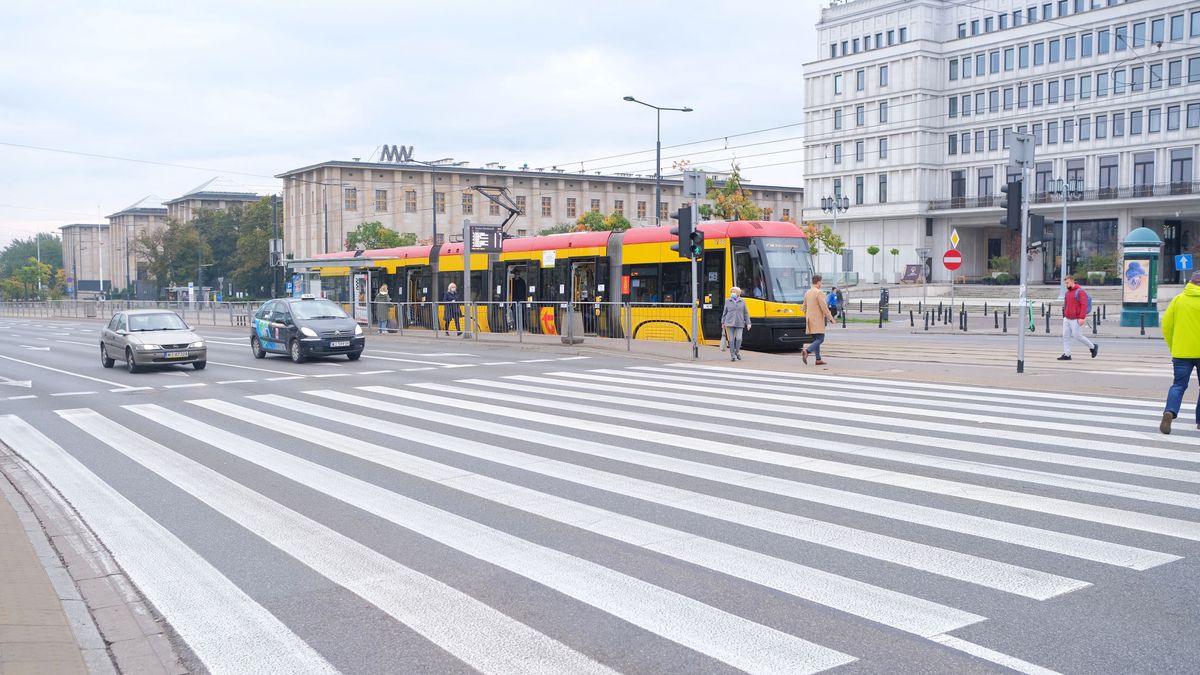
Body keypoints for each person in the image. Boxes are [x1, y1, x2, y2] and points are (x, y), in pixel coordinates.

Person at [1159, 270, 1200, 434]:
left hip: (1181, 352)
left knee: (1178, 385)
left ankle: (1170, 411)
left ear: (1191, 282)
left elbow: (1166, 326)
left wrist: (1173, 345)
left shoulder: (1178, 300)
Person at [1058, 275, 1099, 361]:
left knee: (1077, 336)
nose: (1066, 285)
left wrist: (1082, 317)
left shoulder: (1080, 292)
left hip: (1076, 318)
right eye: (1065, 283)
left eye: (1067, 283)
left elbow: (1084, 305)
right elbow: (1066, 305)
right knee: (1065, 336)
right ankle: (1067, 354)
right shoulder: (1067, 293)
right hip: (1067, 318)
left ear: (1072, 281)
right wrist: (1065, 315)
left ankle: (1093, 347)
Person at [801, 274, 836, 366]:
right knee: (821, 338)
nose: (821, 284)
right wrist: (831, 318)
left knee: (816, 339)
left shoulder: (807, 292)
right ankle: (807, 351)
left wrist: (809, 314)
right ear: (818, 282)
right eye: (821, 282)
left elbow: (803, 307)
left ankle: (818, 359)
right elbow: (824, 307)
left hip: (810, 320)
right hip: (817, 320)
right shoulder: (819, 292)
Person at [721, 286, 751, 361]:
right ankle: (732, 356)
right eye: (731, 292)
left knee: (739, 338)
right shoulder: (727, 301)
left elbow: (746, 313)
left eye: (734, 292)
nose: (732, 293)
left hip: (739, 322)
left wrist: (748, 323)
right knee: (731, 340)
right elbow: (725, 312)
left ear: (738, 293)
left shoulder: (742, 301)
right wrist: (723, 322)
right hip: (729, 322)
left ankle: (737, 351)